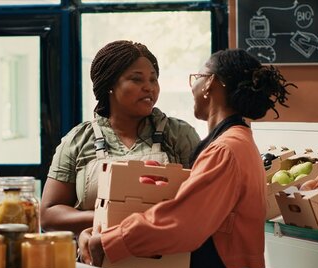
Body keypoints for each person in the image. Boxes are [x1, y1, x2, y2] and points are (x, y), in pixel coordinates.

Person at [79, 48, 294, 268]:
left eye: (197, 78)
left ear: (211, 84)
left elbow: (183, 223)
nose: (193, 86)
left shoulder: (226, 149)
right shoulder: (233, 141)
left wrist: (108, 241)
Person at [41, 40, 201, 234]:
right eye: (137, 79)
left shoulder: (179, 134)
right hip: (94, 261)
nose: (149, 87)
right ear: (110, 85)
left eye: (153, 79)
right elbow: (48, 214)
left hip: (164, 260)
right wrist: (113, 217)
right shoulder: (78, 139)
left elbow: (201, 203)